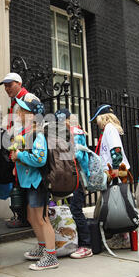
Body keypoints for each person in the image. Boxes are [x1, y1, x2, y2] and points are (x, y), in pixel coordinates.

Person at [10, 98, 59, 270]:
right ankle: (42, 247)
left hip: (38, 182)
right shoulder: (26, 132)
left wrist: (19, 157)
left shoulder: (37, 134)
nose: (18, 113)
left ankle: (51, 256)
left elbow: (40, 159)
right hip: (29, 182)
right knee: (32, 217)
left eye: (23, 111)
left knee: (42, 218)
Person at [90, 104, 131, 250]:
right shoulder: (109, 130)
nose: (97, 125)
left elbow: (116, 150)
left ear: (103, 118)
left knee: (117, 205)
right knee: (116, 204)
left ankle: (123, 238)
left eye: (97, 120)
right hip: (116, 171)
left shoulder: (109, 129)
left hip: (115, 172)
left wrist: (114, 171)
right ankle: (119, 236)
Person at [0, 72, 37, 229]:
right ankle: (24, 216)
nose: (7, 88)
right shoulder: (15, 102)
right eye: (5, 86)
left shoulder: (28, 98)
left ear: (19, 84)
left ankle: (26, 218)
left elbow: (36, 121)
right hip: (17, 145)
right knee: (19, 181)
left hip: (25, 146)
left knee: (24, 182)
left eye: (10, 84)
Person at [54, 108, 93, 259]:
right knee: (71, 210)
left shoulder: (75, 132)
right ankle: (75, 242)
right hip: (69, 176)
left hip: (77, 176)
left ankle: (86, 245)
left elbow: (78, 154)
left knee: (76, 210)